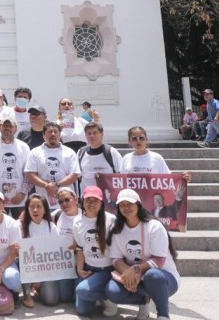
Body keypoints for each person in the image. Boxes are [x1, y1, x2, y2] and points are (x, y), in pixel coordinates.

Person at [106, 189, 181, 320]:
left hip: (163, 278)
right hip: (136, 277)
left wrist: (135, 269)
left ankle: (163, 314)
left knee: (152, 276)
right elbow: (116, 259)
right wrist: (127, 274)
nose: (126, 208)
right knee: (112, 291)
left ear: (138, 205)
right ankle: (143, 301)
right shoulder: (117, 230)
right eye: (122, 205)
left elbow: (159, 260)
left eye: (130, 204)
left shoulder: (154, 226)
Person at [72, 185, 118, 316]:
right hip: (89, 267)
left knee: (82, 291)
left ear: (101, 202)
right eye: (88, 200)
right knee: (82, 310)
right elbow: (80, 248)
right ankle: (101, 293)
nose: (91, 203)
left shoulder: (111, 219)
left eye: (95, 200)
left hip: (107, 268)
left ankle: (109, 298)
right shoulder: (77, 222)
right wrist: (80, 269)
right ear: (82, 201)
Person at [24, 122, 81, 209]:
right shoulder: (35, 153)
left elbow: (74, 175)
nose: (53, 134)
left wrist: (57, 185)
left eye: (55, 132)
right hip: (43, 204)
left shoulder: (69, 152)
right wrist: (46, 185)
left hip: (66, 204)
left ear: (60, 134)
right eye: (50, 132)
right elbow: (30, 174)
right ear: (43, 135)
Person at [18, 193, 58, 307]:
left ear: (45, 210)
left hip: (46, 267)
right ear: (27, 209)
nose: (35, 210)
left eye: (39, 206)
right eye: (31, 207)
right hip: (26, 266)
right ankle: (26, 293)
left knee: (51, 301)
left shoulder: (51, 227)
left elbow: (55, 252)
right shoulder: (19, 226)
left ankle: (39, 287)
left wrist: (41, 277)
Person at [0, 116, 29, 219]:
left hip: (20, 200)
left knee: (21, 230)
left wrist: (22, 193)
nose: (7, 128)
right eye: (4, 126)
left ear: (15, 128)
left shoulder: (24, 147)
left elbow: (28, 173)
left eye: (10, 126)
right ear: (0, 127)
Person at [78, 121, 123, 190]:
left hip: (108, 198)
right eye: (89, 133)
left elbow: (121, 175)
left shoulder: (111, 152)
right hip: (88, 198)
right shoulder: (81, 152)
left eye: (95, 133)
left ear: (102, 134)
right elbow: (78, 176)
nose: (91, 136)